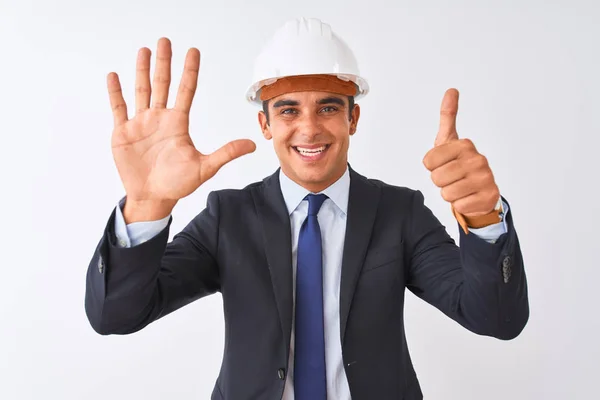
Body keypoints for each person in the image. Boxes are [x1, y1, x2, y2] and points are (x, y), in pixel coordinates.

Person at [85, 17, 529, 400]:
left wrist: (486, 219)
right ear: (265, 124)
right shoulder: (229, 217)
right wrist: (147, 205)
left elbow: (496, 318)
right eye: (288, 110)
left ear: (353, 118)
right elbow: (116, 316)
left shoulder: (399, 212)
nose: (309, 128)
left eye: (329, 107)